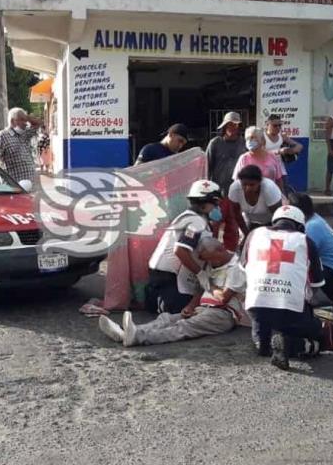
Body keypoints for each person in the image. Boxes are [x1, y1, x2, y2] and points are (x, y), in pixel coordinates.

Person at [99, 238, 249, 346]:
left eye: (211, 259)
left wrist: (209, 284)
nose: (210, 263)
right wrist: (190, 306)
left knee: (184, 327)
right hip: (203, 308)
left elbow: (223, 298)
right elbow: (201, 289)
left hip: (223, 314)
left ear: (220, 249)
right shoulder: (214, 262)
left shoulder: (236, 269)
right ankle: (126, 332)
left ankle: (137, 336)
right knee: (166, 319)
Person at [242, 205, 326, 370]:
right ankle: (289, 343)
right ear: (300, 226)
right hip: (290, 312)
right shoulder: (306, 242)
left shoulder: (253, 234)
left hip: (256, 307)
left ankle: (264, 343)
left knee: (262, 348)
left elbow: (244, 268)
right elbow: (316, 285)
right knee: (318, 337)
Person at [145, 179, 222, 314]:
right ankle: (160, 303)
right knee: (184, 311)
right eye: (215, 204)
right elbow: (180, 250)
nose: (217, 208)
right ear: (204, 203)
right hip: (168, 276)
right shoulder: (196, 222)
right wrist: (200, 273)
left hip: (163, 274)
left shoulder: (191, 218)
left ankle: (156, 299)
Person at [288, 192, 333, 301]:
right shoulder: (314, 218)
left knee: (295, 268)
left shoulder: (312, 227)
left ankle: (316, 299)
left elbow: (300, 256)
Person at [206, 112, 247, 251]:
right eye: (229, 125)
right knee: (214, 226)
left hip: (237, 194)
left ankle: (229, 256)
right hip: (218, 194)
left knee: (233, 228)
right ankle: (211, 254)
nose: (232, 128)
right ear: (224, 126)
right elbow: (207, 168)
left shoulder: (244, 144)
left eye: (235, 125)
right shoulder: (215, 143)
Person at [0, 107, 43, 185]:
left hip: (30, 187)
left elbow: (39, 123)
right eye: (22, 119)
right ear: (12, 121)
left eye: (25, 120)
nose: (25, 123)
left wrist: (27, 117)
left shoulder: (24, 134)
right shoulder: (2, 136)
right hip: (14, 188)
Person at [228, 165, 283, 236]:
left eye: (252, 185)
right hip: (249, 221)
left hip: (272, 222)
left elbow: (278, 216)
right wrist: (247, 235)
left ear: (260, 182)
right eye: (244, 184)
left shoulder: (269, 189)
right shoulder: (234, 188)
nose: (247, 188)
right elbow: (236, 215)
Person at [231, 126, 284, 192]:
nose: (249, 141)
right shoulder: (244, 158)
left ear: (262, 140)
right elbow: (237, 182)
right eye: (247, 139)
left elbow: (279, 179)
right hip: (251, 197)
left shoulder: (272, 156)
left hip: (271, 196)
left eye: (253, 138)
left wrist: (281, 196)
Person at [264, 114, 302, 195]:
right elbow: (260, 152)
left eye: (279, 125)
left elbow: (299, 146)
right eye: (275, 125)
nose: (278, 128)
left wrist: (292, 150)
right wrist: (279, 151)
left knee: (283, 193)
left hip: (280, 169)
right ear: (267, 125)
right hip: (265, 169)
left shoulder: (282, 136)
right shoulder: (262, 137)